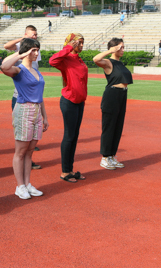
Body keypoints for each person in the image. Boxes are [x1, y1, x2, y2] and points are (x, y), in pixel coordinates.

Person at [1, 38, 47, 199]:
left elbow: (40, 97)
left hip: (36, 112)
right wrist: (20, 54)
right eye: (33, 50)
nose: (36, 53)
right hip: (23, 110)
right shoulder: (19, 70)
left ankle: (27, 184)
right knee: (20, 152)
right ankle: (19, 186)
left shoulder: (37, 71)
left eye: (37, 50)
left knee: (29, 152)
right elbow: (4, 66)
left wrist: (44, 116)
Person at [49, 33, 88, 183]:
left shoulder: (79, 59)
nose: (82, 45)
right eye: (79, 43)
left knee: (75, 136)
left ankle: (70, 169)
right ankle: (65, 171)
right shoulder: (65, 59)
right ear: (71, 43)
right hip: (69, 101)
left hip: (79, 102)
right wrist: (69, 47)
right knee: (69, 135)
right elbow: (52, 60)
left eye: (83, 43)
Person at [4, 25, 42, 169]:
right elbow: (6, 47)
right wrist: (22, 45)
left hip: (34, 95)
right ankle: (22, 163)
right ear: (26, 34)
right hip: (22, 96)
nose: (35, 36)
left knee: (30, 141)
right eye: (32, 34)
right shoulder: (22, 46)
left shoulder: (36, 52)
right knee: (22, 138)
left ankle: (27, 160)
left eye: (36, 34)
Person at [93, 38, 133, 170]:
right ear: (114, 48)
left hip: (122, 95)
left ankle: (111, 156)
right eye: (120, 47)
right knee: (109, 127)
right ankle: (104, 157)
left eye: (123, 47)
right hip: (112, 95)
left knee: (118, 127)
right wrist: (109, 51)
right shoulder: (108, 62)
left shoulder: (120, 63)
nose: (123, 49)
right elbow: (95, 59)